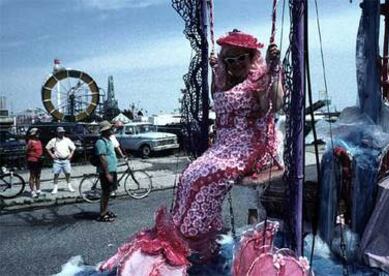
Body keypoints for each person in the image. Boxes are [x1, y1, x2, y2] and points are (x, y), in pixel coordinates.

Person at [99, 30, 285, 273]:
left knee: (204, 178)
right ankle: (184, 234)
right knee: (189, 175)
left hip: (247, 145)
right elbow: (216, 96)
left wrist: (274, 69)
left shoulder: (260, 80)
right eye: (231, 60)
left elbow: (275, 104)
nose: (237, 64)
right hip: (223, 145)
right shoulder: (223, 80)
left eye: (242, 58)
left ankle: (189, 237)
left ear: (252, 58)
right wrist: (216, 70)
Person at [95, 121, 118, 222]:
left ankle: (105, 210)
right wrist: (107, 173)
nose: (112, 130)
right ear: (105, 131)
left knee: (108, 192)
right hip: (106, 171)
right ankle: (102, 214)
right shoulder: (101, 142)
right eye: (110, 129)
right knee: (105, 192)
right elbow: (102, 158)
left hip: (112, 169)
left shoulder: (108, 140)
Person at [45, 127, 76, 194]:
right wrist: (52, 155)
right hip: (57, 160)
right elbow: (47, 148)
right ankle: (55, 188)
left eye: (62, 132)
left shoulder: (67, 140)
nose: (61, 133)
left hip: (66, 160)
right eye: (60, 132)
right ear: (57, 133)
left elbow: (73, 148)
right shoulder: (53, 140)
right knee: (56, 174)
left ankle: (69, 186)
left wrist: (71, 155)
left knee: (68, 174)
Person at [26, 128, 43, 198]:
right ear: (33, 134)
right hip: (32, 160)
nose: (38, 134)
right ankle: (32, 191)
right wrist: (34, 155)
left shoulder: (39, 141)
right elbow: (27, 151)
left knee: (38, 175)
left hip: (39, 160)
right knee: (32, 176)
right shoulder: (30, 141)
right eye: (37, 133)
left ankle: (38, 190)